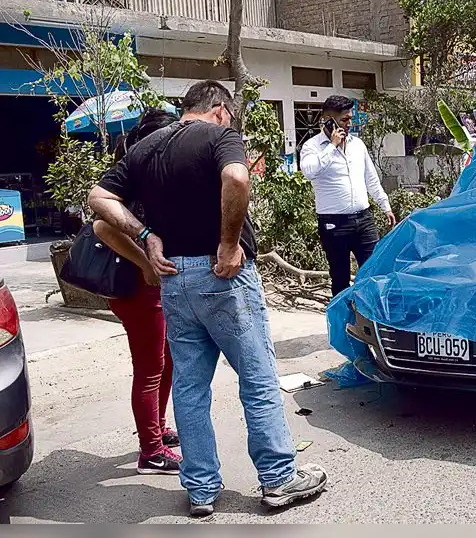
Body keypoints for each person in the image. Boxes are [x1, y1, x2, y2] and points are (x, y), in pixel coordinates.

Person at [88, 81, 328, 517]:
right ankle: (278, 479)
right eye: (231, 117)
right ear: (220, 109)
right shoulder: (220, 136)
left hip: (174, 278)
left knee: (189, 385)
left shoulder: (147, 147)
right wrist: (230, 242)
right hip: (223, 276)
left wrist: (146, 237)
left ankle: (200, 488)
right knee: (256, 378)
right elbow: (236, 177)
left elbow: (98, 198)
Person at [93, 108, 181, 475]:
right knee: (149, 368)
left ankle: (156, 430)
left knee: (167, 362)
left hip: (153, 286)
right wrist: (145, 262)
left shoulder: (154, 173)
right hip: (136, 288)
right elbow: (101, 226)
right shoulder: (132, 176)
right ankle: (151, 453)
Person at [299, 95, 396, 298]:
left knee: (374, 272)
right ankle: (342, 326)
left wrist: (384, 205)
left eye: (350, 118)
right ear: (328, 119)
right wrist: (332, 146)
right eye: (344, 119)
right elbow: (309, 172)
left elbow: (370, 178)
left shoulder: (357, 145)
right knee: (340, 278)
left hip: (364, 219)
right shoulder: (312, 147)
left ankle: (371, 322)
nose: (349, 123)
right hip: (334, 224)